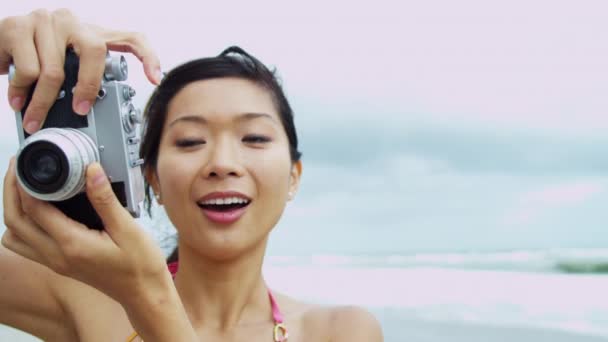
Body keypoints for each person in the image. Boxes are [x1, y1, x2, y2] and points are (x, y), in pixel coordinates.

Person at [0, 9, 384, 342]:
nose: (221, 163)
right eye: (189, 141)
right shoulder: (78, 294)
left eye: (254, 137)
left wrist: (149, 297)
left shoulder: (342, 330)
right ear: (151, 178)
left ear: (294, 176)